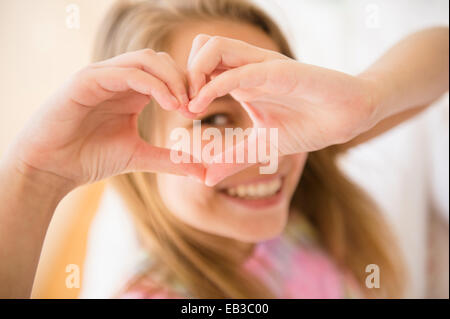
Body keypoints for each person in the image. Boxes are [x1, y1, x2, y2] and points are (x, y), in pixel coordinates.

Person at [0, 0, 447, 299]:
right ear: (134, 145)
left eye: (272, 105)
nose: (260, 151)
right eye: (213, 120)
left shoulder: (297, 154)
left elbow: (440, 53)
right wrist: (35, 178)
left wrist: (364, 102)